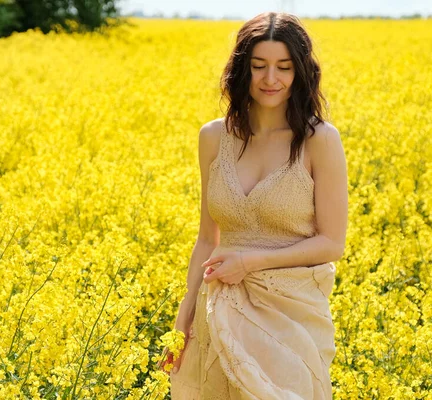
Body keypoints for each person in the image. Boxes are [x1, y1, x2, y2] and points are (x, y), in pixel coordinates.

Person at [157, 11, 348, 399]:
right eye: (258, 66)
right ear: (242, 70)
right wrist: (183, 321)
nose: (270, 79)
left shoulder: (319, 140)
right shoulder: (213, 137)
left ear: (301, 73)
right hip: (220, 312)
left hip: (289, 316)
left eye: (283, 67)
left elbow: (332, 243)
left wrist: (249, 262)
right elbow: (207, 239)